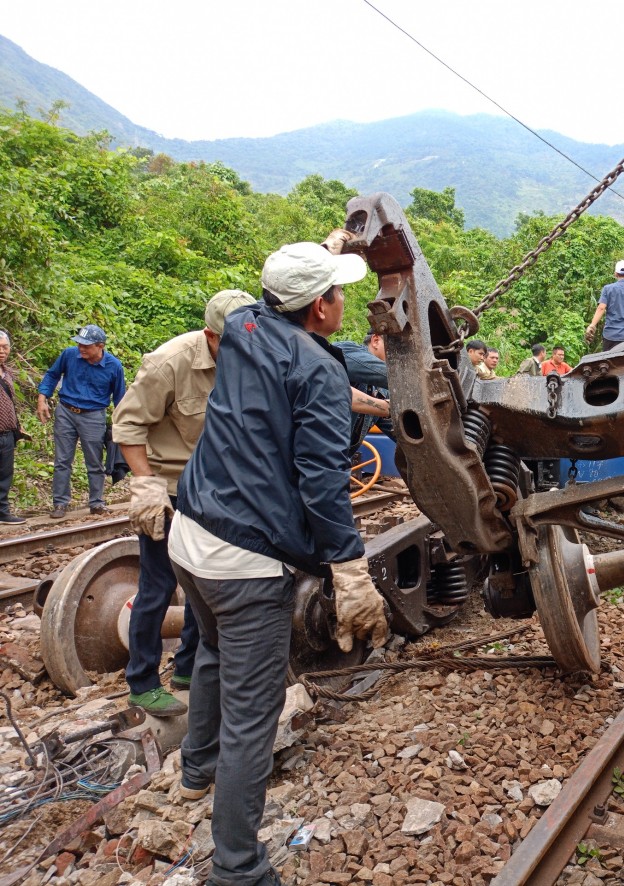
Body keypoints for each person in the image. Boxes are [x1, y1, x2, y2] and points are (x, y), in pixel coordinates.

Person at [168, 240, 389, 886]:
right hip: (244, 565)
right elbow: (322, 484)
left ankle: (194, 767)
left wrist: (328, 248)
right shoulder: (320, 373)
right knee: (253, 715)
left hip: (190, 534)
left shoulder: (241, 324)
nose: (345, 300)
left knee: (211, 648)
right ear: (320, 307)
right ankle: (237, 868)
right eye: (338, 290)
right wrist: (349, 572)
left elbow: (273, 290)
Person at [111, 289, 255, 718]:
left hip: (212, 487)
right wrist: (147, 486)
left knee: (204, 583)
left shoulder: (247, 354)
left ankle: (188, 669)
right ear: (211, 335)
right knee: (157, 585)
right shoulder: (169, 362)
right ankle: (141, 681)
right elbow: (128, 425)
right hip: (170, 487)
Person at [37, 324, 126, 518]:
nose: (81, 348)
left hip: (94, 415)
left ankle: (96, 502)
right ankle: (60, 503)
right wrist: (42, 398)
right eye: (79, 344)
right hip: (66, 411)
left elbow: (120, 398)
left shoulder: (113, 366)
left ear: (100, 346)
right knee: (62, 460)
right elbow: (52, 375)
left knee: (94, 461)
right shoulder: (69, 355)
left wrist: (121, 424)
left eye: (86, 345)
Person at [338, 332, 396, 453]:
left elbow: (402, 431)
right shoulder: (346, 351)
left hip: (337, 461)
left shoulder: (383, 392)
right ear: (375, 340)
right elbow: (393, 377)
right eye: (398, 345)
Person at [0, 331, 29, 524]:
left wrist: (18, 427)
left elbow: (10, 403)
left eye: (5, 347)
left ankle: (2, 511)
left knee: (4, 475)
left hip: (7, 434)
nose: (2, 351)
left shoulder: (7, 373)